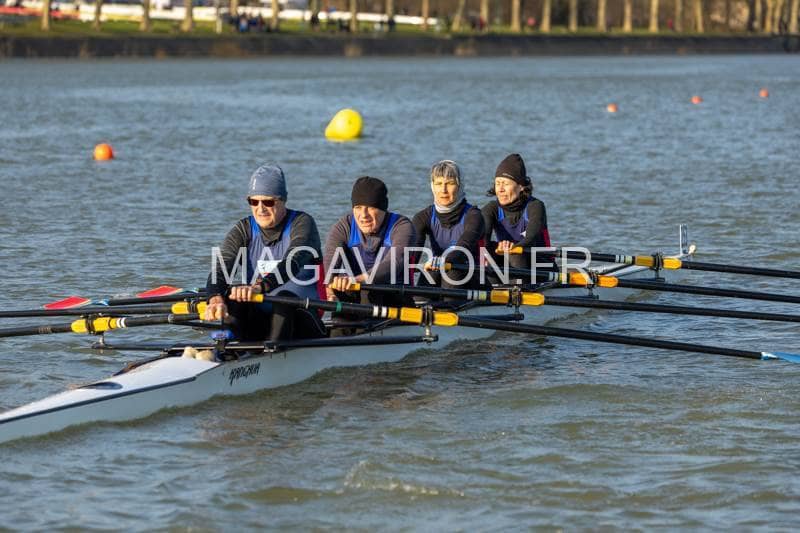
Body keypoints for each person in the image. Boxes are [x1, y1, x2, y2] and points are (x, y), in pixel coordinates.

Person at [204, 163, 325, 342]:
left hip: (302, 318)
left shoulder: (303, 223)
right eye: (254, 202)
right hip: (260, 320)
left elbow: (292, 263)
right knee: (233, 295)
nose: (260, 209)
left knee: (283, 299)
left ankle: (272, 353)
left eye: (268, 202)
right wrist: (215, 298)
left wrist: (259, 287)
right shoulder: (243, 229)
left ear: (282, 200)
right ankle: (227, 350)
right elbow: (222, 268)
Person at [323, 176, 415, 308]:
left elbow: (394, 262)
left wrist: (358, 280)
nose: (363, 215)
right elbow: (330, 265)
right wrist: (331, 286)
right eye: (358, 207)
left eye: (370, 207)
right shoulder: (344, 227)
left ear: (383, 208)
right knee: (341, 291)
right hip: (354, 294)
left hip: (394, 296)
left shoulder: (401, 226)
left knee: (369, 289)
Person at [411, 160, 484, 291]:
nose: (443, 190)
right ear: (432, 186)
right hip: (438, 271)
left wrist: (444, 260)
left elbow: (463, 247)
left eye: (450, 183)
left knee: (452, 271)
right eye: (438, 184)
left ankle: (448, 302)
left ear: (460, 186)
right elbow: (412, 256)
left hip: (472, 277)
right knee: (429, 272)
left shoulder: (474, 216)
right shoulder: (422, 217)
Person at [481, 153, 552, 271]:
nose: (500, 189)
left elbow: (530, 239)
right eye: (498, 183)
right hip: (509, 263)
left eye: (506, 184)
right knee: (488, 253)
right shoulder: (491, 209)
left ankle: (516, 281)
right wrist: (494, 248)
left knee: (514, 255)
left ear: (521, 187)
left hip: (540, 265)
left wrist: (511, 248)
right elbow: (482, 238)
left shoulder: (535, 206)